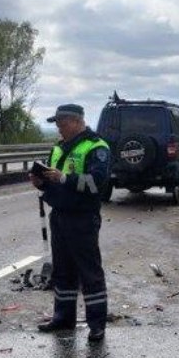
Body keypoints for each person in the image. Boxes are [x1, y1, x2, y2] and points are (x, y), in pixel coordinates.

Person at [31, 104, 110, 342]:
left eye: (62, 124)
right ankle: (63, 318)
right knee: (62, 271)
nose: (59, 129)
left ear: (76, 122)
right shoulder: (58, 148)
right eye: (56, 125)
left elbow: (97, 184)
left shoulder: (97, 147)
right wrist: (40, 182)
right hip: (60, 216)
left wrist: (64, 177)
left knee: (89, 272)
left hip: (83, 218)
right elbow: (51, 181)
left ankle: (97, 325)